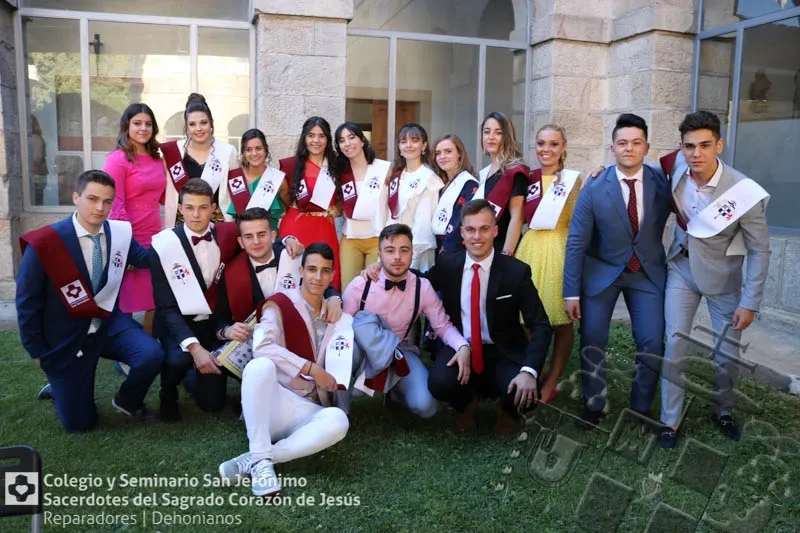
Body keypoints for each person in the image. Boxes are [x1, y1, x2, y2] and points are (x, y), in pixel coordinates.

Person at [16, 170, 164, 432]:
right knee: (80, 425)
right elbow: (27, 303)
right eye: (92, 198)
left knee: (151, 353)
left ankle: (127, 401)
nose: (100, 207)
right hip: (67, 336)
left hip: (108, 324)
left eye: (107, 201)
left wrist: (181, 240)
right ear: (76, 197)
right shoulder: (47, 242)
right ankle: (60, 386)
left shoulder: (119, 234)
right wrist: (37, 351)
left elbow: (146, 259)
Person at [658, 111, 770, 447]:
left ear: (719, 145)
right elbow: (647, 171)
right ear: (682, 147)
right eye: (690, 146)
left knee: (726, 354)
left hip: (724, 279)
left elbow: (760, 250)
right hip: (681, 268)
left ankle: (723, 410)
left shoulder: (742, 191)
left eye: (705, 145)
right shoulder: (676, 167)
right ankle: (670, 421)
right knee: (675, 342)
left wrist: (750, 302)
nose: (696, 153)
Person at [563, 113, 672, 427]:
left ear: (646, 147)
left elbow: (692, 161)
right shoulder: (595, 186)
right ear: (612, 147)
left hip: (646, 273)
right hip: (602, 273)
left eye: (636, 143)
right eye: (622, 143)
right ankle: (594, 405)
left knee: (652, 340)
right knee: (593, 338)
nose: (629, 149)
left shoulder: (662, 183)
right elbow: (576, 243)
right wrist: (571, 292)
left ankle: (640, 409)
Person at [218, 243, 351, 496]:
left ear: (332, 275)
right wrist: (311, 368)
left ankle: (259, 458)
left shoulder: (337, 314)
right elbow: (262, 347)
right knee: (260, 366)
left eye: (325, 271)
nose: (318, 277)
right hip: (273, 403)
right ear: (300, 271)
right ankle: (262, 462)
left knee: (338, 421)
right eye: (312, 269)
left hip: (308, 409)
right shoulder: (278, 304)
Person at [426, 200, 552, 434]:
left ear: (495, 230)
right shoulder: (448, 264)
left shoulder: (516, 271)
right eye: (471, 229)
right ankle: (466, 404)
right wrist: (380, 270)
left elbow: (541, 325)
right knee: (439, 382)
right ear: (462, 233)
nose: (477, 236)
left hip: (503, 349)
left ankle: (507, 409)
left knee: (527, 391)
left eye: (484, 228)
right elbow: (419, 283)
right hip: (461, 347)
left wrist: (529, 371)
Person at [343, 224, 470, 419]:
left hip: (400, 351)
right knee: (346, 351)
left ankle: (396, 393)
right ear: (379, 254)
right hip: (363, 352)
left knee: (426, 407)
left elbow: (442, 326)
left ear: (412, 253)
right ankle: (339, 408)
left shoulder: (422, 287)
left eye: (404, 250)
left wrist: (462, 346)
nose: (397, 257)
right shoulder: (361, 284)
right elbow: (341, 327)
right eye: (390, 250)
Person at [149, 178, 242, 421]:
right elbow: (166, 307)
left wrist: (287, 241)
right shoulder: (164, 245)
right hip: (178, 323)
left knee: (212, 404)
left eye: (203, 207)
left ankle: (194, 374)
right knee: (179, 358)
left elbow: (258, 238)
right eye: (189, 208)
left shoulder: (227, 235)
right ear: (180, 209)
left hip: (212, 324)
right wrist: (194, 347)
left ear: (213, 208)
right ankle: (167, 393)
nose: (196, 214)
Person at [515, 124, 582, 404]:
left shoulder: (573, 180)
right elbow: (518, 217)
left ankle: (552, 380)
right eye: (541, 143)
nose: (547, 149)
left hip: (560, 249)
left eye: (553, 144)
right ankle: (537, 371)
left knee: (560, 319)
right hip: (530, 247)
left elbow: (580, 219)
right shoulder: (527, 178)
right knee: (524, 318)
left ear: (563, 147)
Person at [214, 207, 342, 344]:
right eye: (249, 237)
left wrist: (334, 298)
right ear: (241, 242)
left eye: (262, 234)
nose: (256, 242)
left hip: (300, 337)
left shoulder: (292, 255)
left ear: (273, 236)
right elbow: (219, 318)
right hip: (255, 344)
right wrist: (227, 331)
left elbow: (320, 283)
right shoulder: (231, 272)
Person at [103, 103, 166, 333]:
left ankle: (148, 343)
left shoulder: (158, 160)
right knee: (127, 299)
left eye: (148, 124)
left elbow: (163, 198)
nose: (143, 128)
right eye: (137, 123)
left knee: (155, 297)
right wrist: (126, 246)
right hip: (129, 237)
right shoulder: (117, 160)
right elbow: (115, 205)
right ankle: (126, 352)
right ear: (126, 126)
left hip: (155, 236)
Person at [278, 116, 343, 291]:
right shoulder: (291, 165)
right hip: (296, 227)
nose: (316, 140)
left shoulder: (336, 165)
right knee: (292, 276)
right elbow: (284, 193)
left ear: (328, 139)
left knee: (324, 276)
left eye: (321, 136)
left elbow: (345, 195)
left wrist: (337, 209)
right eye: (311, 135)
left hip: (323, 227)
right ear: (304, 138)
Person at [161, 93, 239, 228]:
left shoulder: (228, 152)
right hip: (182, 225)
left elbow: (236, 193)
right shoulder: (173, 152)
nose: (198, 129)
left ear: (211, 124)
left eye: (203, 123)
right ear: (186, 127)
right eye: (192, 124)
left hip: (217, 225)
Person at [335, 122, 391, 287]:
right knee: (349, 289)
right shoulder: (340, 174)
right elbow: (338, 206)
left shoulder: (383, 169)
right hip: (350, 239)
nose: (347, 143)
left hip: (378, 238)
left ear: (362, 141)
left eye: (351, 137)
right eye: (342, 140)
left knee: (375, 290)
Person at [384, 123, 442, 272]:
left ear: (424, 146)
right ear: (399, 147)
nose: (408, 145)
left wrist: (411, 254)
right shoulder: (397, 176)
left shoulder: (429, 178)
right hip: (394, 248)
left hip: (417, 250)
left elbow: (423, 223)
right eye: (403, 141)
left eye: (414, 140)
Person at [473, 112, 529, 255]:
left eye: (498, 132)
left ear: (507, 137)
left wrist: (506, 254)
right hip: (484, 247)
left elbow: (517, 218)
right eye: (487, 132)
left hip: (504, 247)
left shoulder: (515, 172)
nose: (491, 137)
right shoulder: (485, 172)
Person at [218, 128, 287, 229]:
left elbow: (288, 210)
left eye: (258, 148)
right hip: (241, 238)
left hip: (269, 238)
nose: (254, 154)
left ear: (266, 149)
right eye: (248, 150)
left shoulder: (278, 180)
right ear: (243, 153)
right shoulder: (234, 178)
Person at [430, 134, 478, 253]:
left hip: (454, 250)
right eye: (438, 153)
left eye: (448, 151)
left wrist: (445, 252)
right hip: (437, 246)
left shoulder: (469, 184)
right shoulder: (440, 184)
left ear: (459, 154)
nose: (442, 157)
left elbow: (462, 223)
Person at [30, 115, 48, 206]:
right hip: (38, 174)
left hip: (37, 175)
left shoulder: (35, 138)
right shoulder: (36, 138)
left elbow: (36, 158)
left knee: (37, 202)